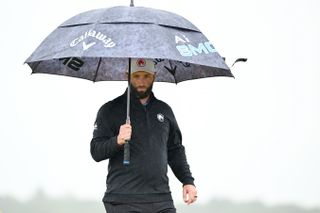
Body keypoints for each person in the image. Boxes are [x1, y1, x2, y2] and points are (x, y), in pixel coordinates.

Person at [90, 58, 197, 213]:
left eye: (146, 76)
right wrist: (117, 141)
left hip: (161, 199)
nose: (141, 81)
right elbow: (96, 151)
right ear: (127, 75)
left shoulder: (164, 110)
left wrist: (187, 181)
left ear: (154, 76)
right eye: (136, 76)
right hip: (122, 200)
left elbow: (175, 150)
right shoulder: (109, 110)